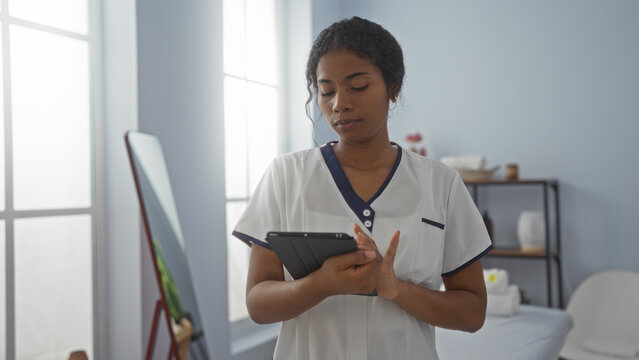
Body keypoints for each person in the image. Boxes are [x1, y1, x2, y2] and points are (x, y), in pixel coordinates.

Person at [232, 16, 492, 360]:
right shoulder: (286, 176)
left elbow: (472, 312)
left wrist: (396, 289)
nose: (339, 103)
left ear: (393, 87)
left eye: (357, 87)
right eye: (326, 91)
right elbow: (258, 305)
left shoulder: (441, 183)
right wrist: (321, 284)